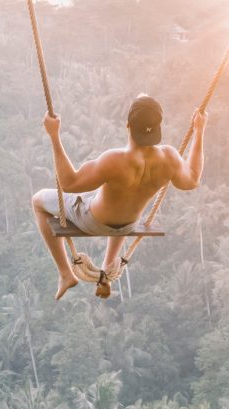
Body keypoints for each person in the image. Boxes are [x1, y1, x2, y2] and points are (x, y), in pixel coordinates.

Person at [32, 94, 207, 300]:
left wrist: (54, 135)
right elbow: (193, 179)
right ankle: (106, 270)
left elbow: (69, 183)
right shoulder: (169, 158)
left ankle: (65, 273)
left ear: (128, 126)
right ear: (158, 129)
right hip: (128, 224)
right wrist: (199, 131)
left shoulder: (114, 160)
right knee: (115, 198)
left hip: (92, 221)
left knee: (38, 200)